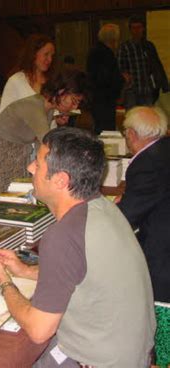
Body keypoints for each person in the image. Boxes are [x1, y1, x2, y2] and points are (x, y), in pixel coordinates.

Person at [0, 127, 155, 367]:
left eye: (39, 164)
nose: (31, 168)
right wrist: (24, 270)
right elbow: (80, 272)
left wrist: (3, 281)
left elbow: (38, 330)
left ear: (61, 180)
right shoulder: (103, 208)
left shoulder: (63, 236)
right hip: (132, 355)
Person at [0, 68, 87, 215]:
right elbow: (49, 144)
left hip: (8, 161)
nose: (75, 107)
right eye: (74, 101)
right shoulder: (34, 107)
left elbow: (42, 145)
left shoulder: (46, 109)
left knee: (7, 211)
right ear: (61, 91)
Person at [116, 106, 170, 367]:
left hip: (163, 259)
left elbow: (126, 218)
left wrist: (110, 211)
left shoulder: (147, 164)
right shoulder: (164, 150)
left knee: (162, 329)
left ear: (132, 134)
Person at [118, 15, 168, 109]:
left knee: (147, 116)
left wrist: (162, 84)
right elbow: (120, 68)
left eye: (139, 27)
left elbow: (157, 65)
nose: (136, 30)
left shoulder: (149, 46)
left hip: (147, 88)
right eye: (134, 28)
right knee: (132, 117)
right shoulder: (124, 47)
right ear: (130, 30)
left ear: (143, 29)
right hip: (131, 91)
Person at [0, 34, 55, 113]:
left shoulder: (52, 81)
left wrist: (58, 118)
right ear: (33, 53)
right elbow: (4, 116)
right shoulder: (16, 81)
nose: (50, 59)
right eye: (46, 54)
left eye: (52, 56)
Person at [87, 24, 124, 134]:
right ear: (113, 39)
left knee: (100, 128)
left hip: (96, 98)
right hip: (105, 99)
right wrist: (122, 79)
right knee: (106, 130)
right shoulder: (106, 54)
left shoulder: (94, 52)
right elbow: (107, 78)